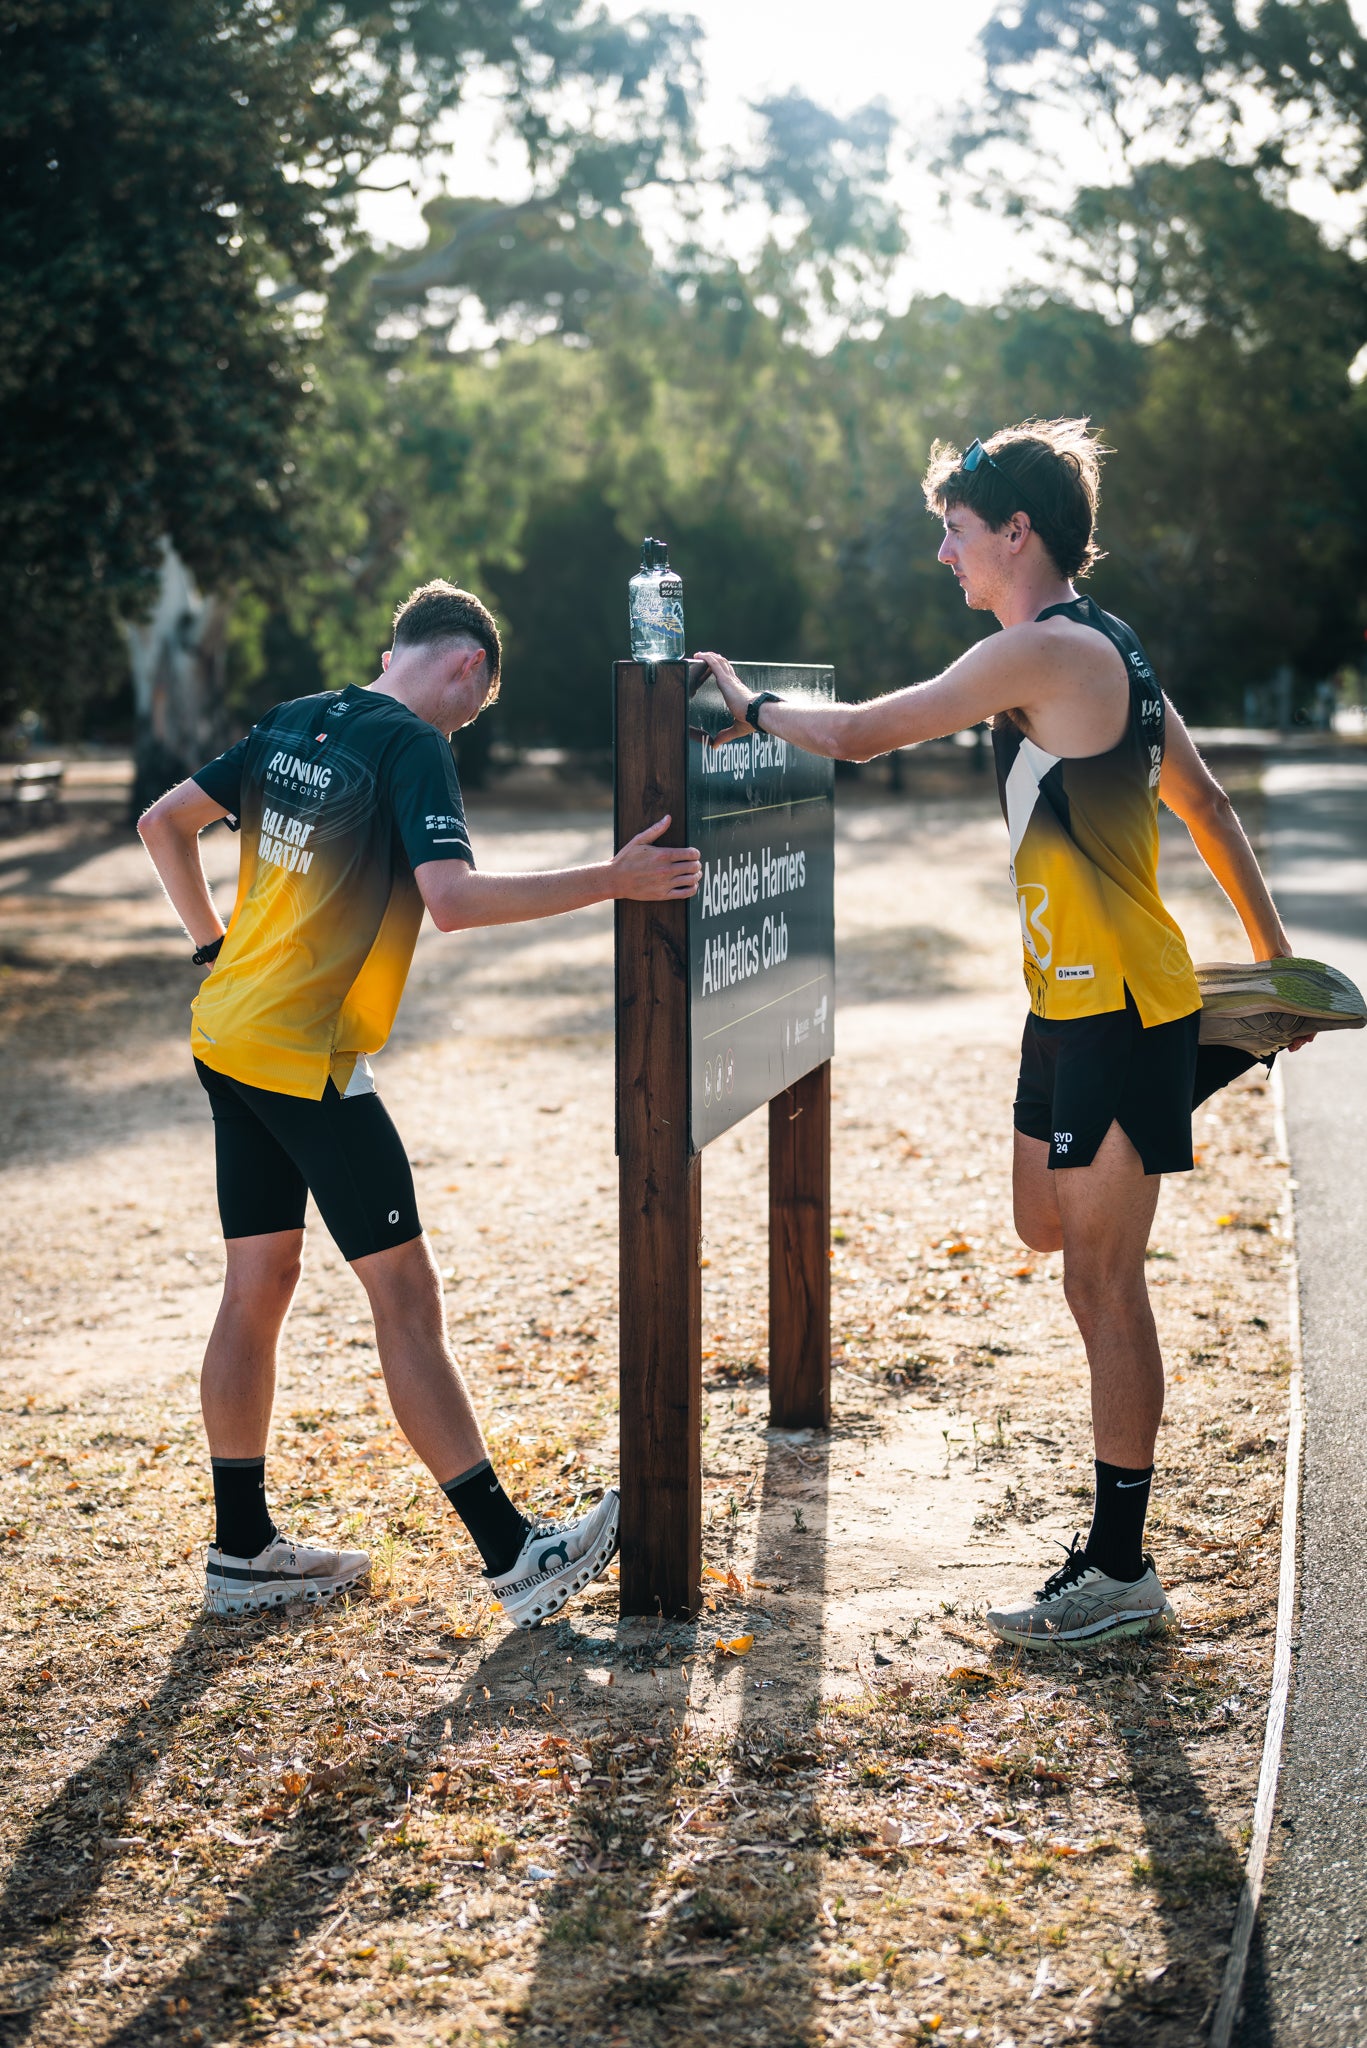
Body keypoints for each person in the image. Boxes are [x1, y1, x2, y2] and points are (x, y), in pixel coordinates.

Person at [696, 418, 1309, 1648]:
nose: (942, 554)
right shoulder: (1095, 648)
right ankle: (1198, 1056)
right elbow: (1202, 797)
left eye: (956, 530)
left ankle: (1120, 1567)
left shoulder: (1047, 651)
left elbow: (865, 730)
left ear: (1015, 533)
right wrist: (1275, 957)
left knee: (1098, 1274)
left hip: (1119, 1003)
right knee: (1041, 1222)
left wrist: (745, 701)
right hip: (1066, 1002)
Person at [139, 581, 701, 1626]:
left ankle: (242, 1546)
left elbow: (162, 822)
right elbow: (453, 900)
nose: (466, 722)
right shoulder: (411, 743)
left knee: (254, 1281)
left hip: (226, 1034)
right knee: (405, 1298)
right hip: (305, 1056)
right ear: (465, 667)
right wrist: (617, 878)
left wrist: (213, 948)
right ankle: (512, 1553)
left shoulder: (294, 717)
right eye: (474, 707)